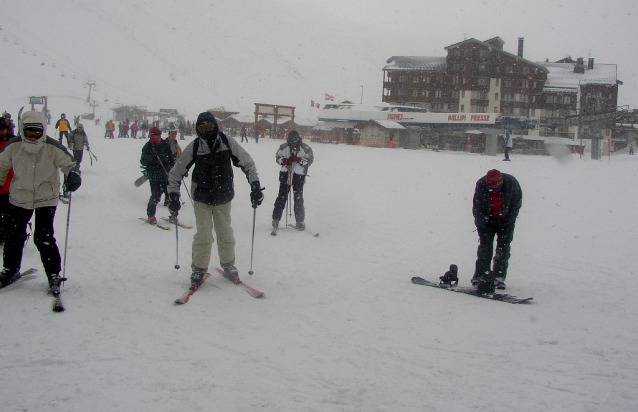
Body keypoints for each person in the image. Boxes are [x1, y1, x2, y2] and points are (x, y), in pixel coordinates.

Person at [167, 111, 264, 287]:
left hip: (223, 197)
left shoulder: (226, 142)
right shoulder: (195, 146)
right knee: (203, 235)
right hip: (202, 198)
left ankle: (228, 265)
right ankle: (199, 268)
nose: (207, 131)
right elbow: (176, 172)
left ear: (216, 127)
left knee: (225, 233)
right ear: (198, 130)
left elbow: (247, 162)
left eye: (209, 127)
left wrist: (255, 184)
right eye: (202, 128)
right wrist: (173, 194)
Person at [0, 111, 81, 296]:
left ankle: (53, 273)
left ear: (43, 130)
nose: (33, 137)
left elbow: (70, 163)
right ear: (22, 130)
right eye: (29, 133)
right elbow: (1, 166)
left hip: (46, 197)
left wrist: (74, 175)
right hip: (20, 196)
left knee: (43, 236)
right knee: (13, 235)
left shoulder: (52, 146)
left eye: (37, 133)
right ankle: (10, 269)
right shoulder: (14, 146)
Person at [471, 169, 522, 293]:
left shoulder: (512, 183)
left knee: (503, 248)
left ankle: (498, 277)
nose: (493, 191)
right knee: (485, 247)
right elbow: (477, 206)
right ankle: (481, 275)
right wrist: (481, 223)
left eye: (496, 188)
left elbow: (516, 204)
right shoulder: (481, 184)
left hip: (506, 221)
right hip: (487, 220)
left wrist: (509, 221)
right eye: (490, 188)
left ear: (501, 183)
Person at [271, 131, 314, 232]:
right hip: (285, 175)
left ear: (298, 140)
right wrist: (283, 160)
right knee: (281, 197)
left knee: (298, 199)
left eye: (294, 142)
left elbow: (310, 160)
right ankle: (276, 219)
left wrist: (299, 160)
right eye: (291, 142)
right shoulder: (283, 147)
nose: (293, 144)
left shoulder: (305, 148)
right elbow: (277, 157)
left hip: (298, 176)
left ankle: (300, 221)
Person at [140, 127, 173, 224]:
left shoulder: (165, 144)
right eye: (154, 135)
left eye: (158, 135)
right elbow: (143, 161)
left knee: (170, 195)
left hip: (165, 173)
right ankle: (151, 215)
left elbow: (171, 158)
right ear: (150, 135)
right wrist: (151, 157)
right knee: (155, 195)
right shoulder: (148, 146)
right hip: (154, 174)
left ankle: (173, 212)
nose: (157, 137)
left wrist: (171, 167)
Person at [0, 118, 15, 247]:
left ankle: (7, 237)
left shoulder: (11, 143)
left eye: (3, 129)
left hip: (9, 187)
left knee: (9, 217)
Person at [163, 129, 181, 206]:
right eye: (172, 135)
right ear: (169, 135)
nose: (174, 137)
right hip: (167, 166)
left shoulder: (176, 144)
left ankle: (172, 198)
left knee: (174, 182)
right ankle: (167, 198)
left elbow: (180, 154)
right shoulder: (165, 143)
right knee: (167, 183)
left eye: (175, 135)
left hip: (175, 166)